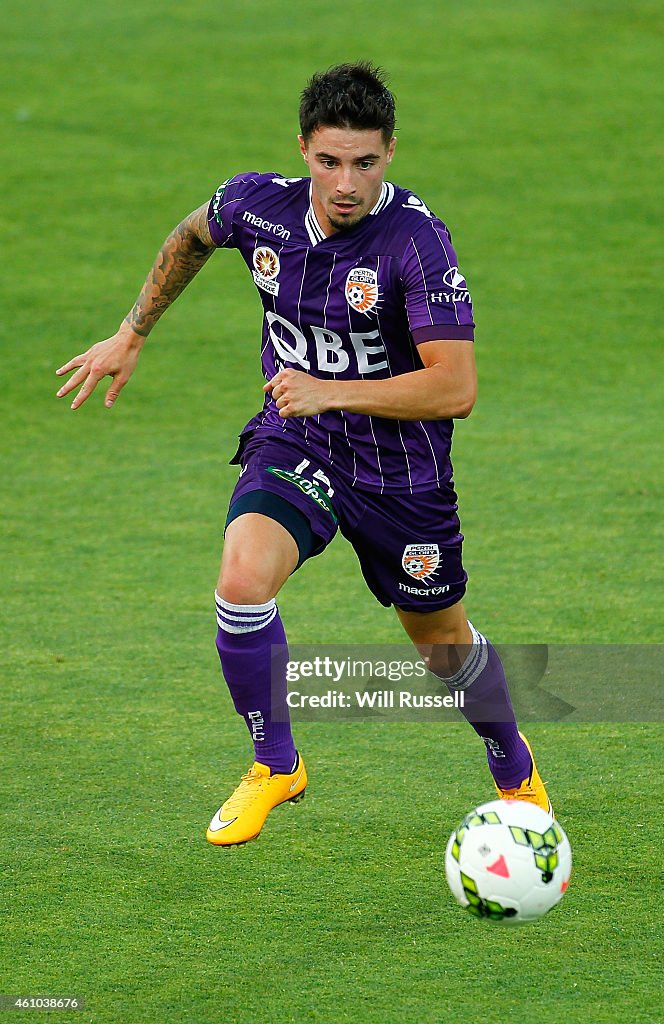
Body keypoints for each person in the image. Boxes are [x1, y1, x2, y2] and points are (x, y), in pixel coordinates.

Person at [56, 63, 552, 847]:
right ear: (303, 150)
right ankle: (275, 764)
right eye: (328, 161)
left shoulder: (416, 243)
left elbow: (454, 388)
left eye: (364, 162)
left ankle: (511, 764)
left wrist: (331, 388)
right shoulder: (260, 206)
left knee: (441, 648)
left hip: (402, 473)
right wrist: (131, 331)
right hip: (299, 441)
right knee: (241, 579)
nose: (345, 183)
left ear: (391, 152)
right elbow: (191, 236)